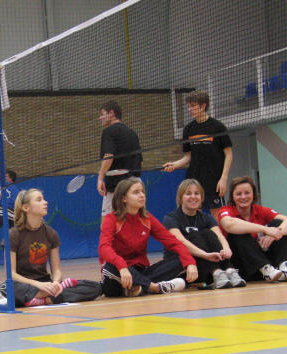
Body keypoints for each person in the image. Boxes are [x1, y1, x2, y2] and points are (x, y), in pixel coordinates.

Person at [0, 188, 100, 309]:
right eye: (39, 200)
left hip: (45, 283)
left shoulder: (51, 234)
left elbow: (57, 270)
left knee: (94, 287)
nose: (45, 202)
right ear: (26, 208)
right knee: (11, 289)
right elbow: (11, 274)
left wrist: (56, 283)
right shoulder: (13, 235)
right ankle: (49, 297)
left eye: (44, 199)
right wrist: (38, 285)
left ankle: (42, 299)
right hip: (24, 284)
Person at [99, 177, 198, 297]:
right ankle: (154, 287)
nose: (141, 195)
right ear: (124, 198)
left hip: (142, 272)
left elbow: (172, 241)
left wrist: (190, 262)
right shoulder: (111, 219)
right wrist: (122, 266)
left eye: (142, 192)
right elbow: (104, 248)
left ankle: (139, 288)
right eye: (136, 192)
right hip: (118, 273)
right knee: (110, 266)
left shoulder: (147, 218)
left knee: (181, 260)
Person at [162, 179, 246, 289]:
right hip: (182, 263)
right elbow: (181, 241)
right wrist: (205, 255)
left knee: (208, 233)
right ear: (180, 197)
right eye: (188, 194)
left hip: (204, 263)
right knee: (195, 235)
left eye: (197, 193)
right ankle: (216, 272)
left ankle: (229, 270)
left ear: (201, 197)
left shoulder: (207, 218)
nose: (193, 197)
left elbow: (219, 236)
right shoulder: (171, 218)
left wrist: (226, 249)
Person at [163, 90, 233, 218]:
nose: (189, 109)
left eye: (193, 106)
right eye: (188, 106)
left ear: (203, 106)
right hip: (194, 179)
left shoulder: (218, 127)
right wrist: (174, 164)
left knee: (218, 217)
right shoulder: (188, 129)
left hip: (214, 180)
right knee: (193, 215)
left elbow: (229, 154)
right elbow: (188, 157)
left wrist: (223, 179)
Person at [218, 176, 287, 282]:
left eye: (247, 193)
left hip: (269, 265)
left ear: (253, 194)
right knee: (239, 231)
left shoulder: (260, 210)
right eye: (238, 194)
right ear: (232, 196)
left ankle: (285, 266)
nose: (243, 197)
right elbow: (229, 225)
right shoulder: (226, 210)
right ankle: (265, 268)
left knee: (278, 224)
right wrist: (265, 230)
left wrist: (273, 235)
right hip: (243, 264)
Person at [97, 100, 143, 216]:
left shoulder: (109, 132)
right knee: (135, 221)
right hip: (135, 186)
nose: (100, 118)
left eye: (102, 114)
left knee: (107, 222)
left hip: (117, 187)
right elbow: (140, 161)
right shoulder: (132, 133)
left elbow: (108, 156)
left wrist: (100, 178)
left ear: (111, 113)